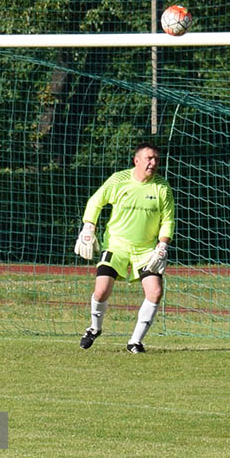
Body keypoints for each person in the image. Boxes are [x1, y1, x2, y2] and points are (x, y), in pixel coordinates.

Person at [74, 141, 175, 353]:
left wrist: (162, 246)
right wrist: (88, 227)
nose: (153, 163)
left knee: (155, 292)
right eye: (149, 158)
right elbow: (95, 202)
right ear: (136, 160)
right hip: (116, 245)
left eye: (156, 159)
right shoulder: (119, 180)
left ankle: (135, 342)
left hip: (146, 250)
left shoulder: (162, 187)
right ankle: (94, 328)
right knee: (101, 291)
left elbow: (168, 220)